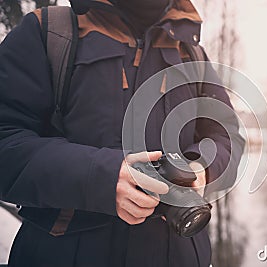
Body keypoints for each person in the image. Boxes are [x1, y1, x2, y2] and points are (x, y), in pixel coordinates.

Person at [0, 0, 244, 266]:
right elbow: (6, 141)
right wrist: (102, 179)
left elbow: (227, 135)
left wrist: (200, 169)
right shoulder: (49, 31)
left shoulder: (192, 53)